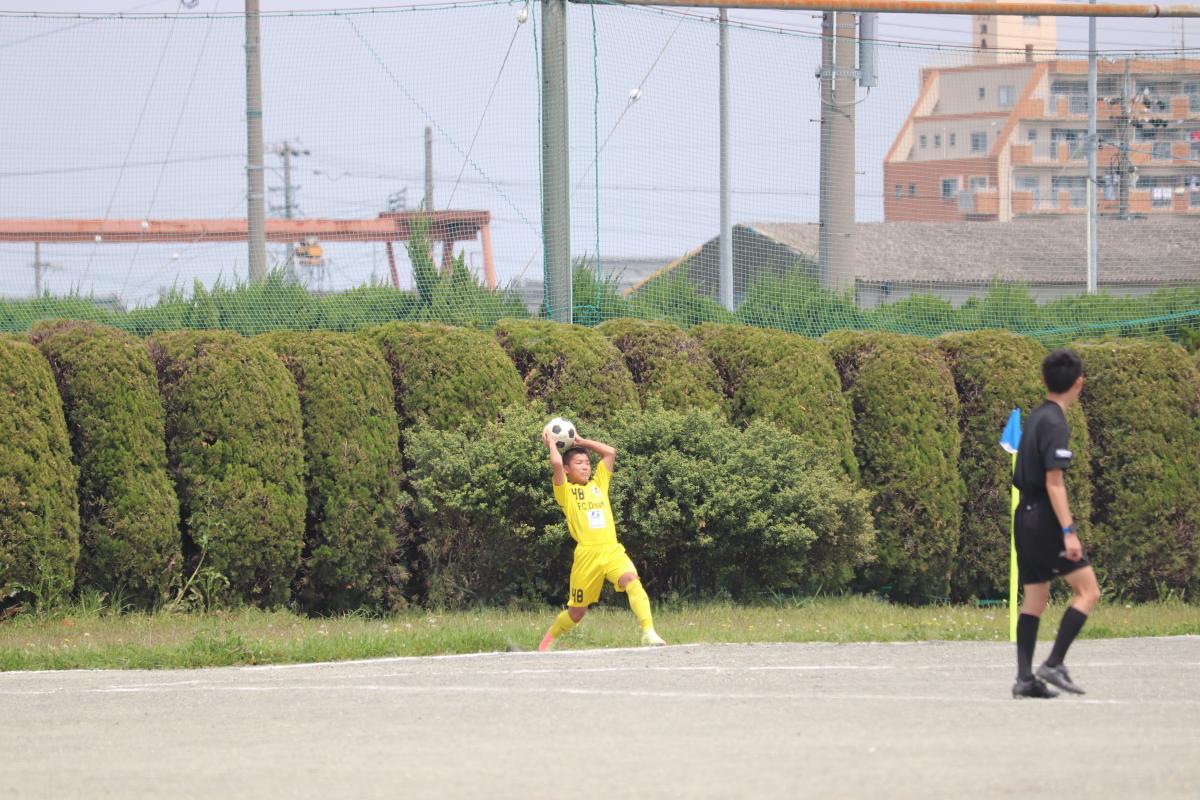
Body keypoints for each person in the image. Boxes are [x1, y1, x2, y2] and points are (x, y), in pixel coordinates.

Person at [1011, 348, 1101, 699]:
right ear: (1079, 383)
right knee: (1088, 591)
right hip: (1044, 517)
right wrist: (1068, 531)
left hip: (1024, 515)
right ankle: (1054, 662)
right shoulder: (1056, 423)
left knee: (1035, 597)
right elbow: (1054, 482)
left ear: (1043, 380)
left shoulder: (1036, 417)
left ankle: (1024, 679)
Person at [538, 428, 666, 651]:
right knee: (576, 613)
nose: (585, 467)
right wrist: (552, 443)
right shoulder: (565, 492)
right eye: (579, 463)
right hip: (587, 556)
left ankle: (648, 632)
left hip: (611, 550)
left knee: (631, 580)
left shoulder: (599, 484)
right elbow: (556, 464)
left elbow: (610, 453)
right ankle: (546, 643)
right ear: (567, 470)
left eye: (587, 463)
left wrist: (581, 441)